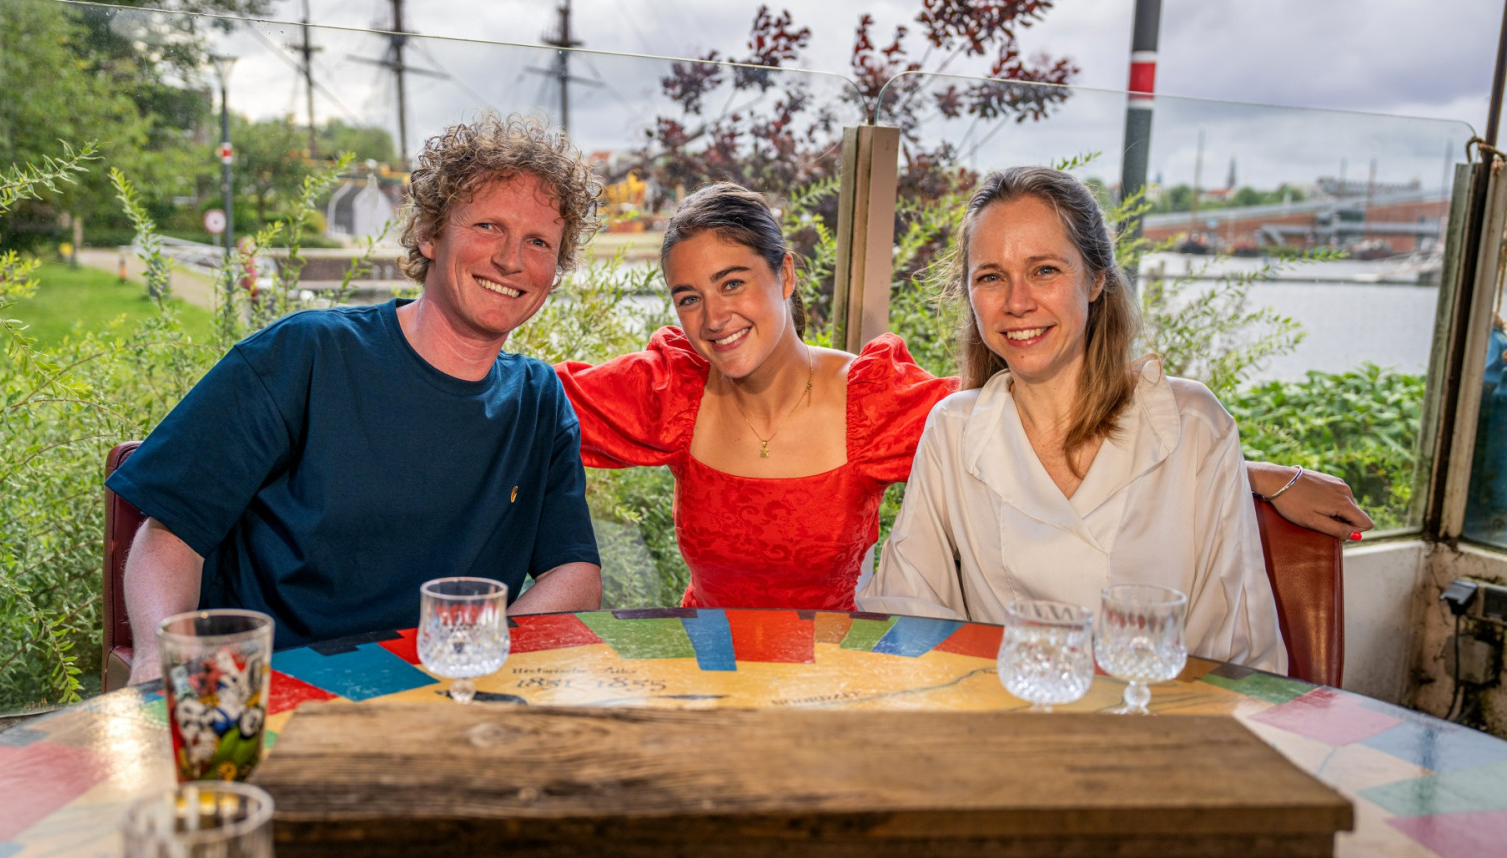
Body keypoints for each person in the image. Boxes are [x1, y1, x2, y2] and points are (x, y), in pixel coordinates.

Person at [558, 182, 1370, 614]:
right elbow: (533, 404)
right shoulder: (668, 393)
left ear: (788, 276)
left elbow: (1046, 413)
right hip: (711, 670)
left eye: (733, 283)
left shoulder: (875, 403)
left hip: (840, 670)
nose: (712, 315)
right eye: (687, 297)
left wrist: (1237, 466)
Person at [110, 113, 604, 684]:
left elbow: (574, 574)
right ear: (430, 233)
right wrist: (159, 669)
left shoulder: (540, 402)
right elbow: (171, 533)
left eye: (539, 241)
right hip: (278, 698)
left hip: (442, 705)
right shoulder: (305, 355)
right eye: (489, 226)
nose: (511, 259)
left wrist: (463, 662)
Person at [866, 165, 1291, 672]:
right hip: (999, 724)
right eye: (991, 277)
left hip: (1158, 726)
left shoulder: (1195, 425)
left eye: (1045, 270)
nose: (1017, 302)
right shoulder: (953, 429)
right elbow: (908, 608)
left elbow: (1237, 645)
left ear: (1095, 279)